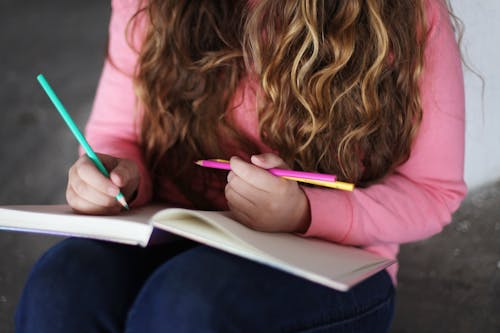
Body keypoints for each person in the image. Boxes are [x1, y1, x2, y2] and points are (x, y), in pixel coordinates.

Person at [15, 0, 466, 332]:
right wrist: (114, 176)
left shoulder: (406, 11)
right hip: (173, 234)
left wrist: (306, 211)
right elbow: (119, 135)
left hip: (335, 267)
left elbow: (433, 191)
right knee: (60, 283)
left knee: (188, 302)